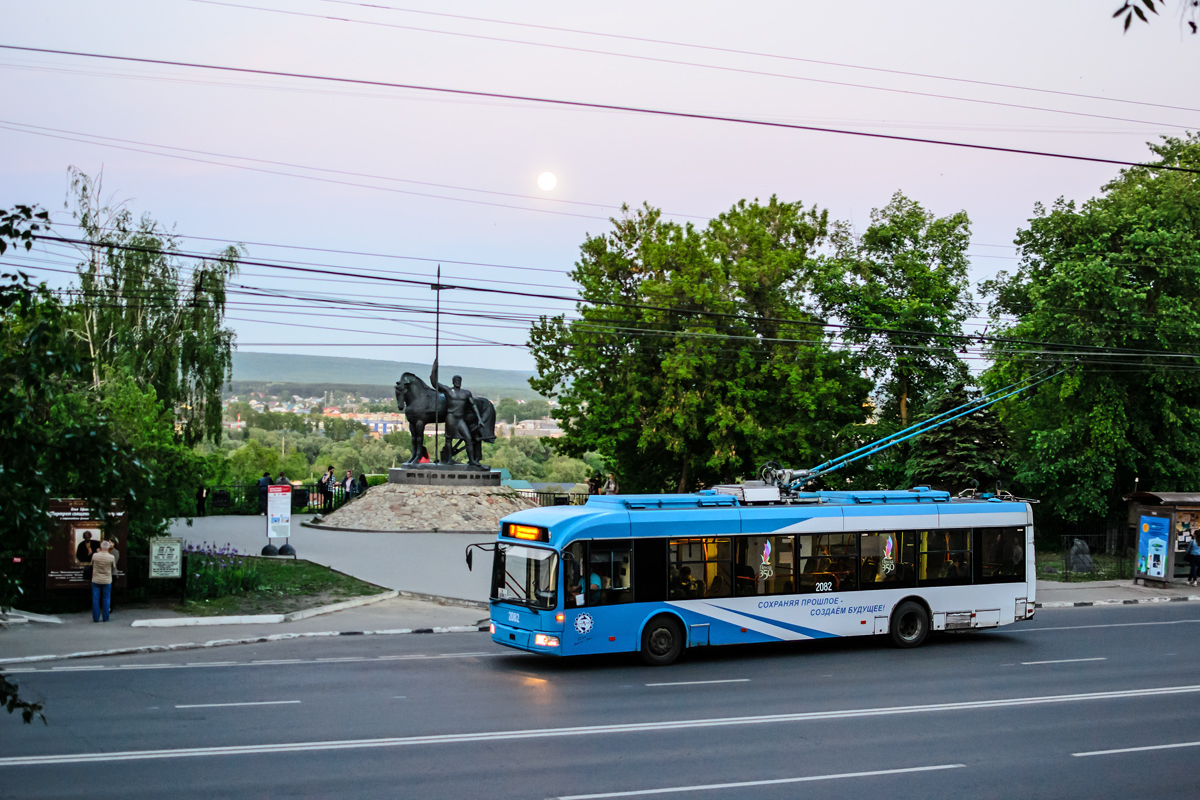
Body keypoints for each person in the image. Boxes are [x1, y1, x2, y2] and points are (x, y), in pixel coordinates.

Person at [89, 540, 117, 623]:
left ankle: (96, 618)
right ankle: (105, 617)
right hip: (107, 580)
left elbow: (92, 565)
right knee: (106, 598)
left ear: (101, 547)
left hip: (96, 579)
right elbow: (113, 567)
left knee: (95, 599)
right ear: (108, 547)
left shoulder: (95, 555)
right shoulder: (111, 557)